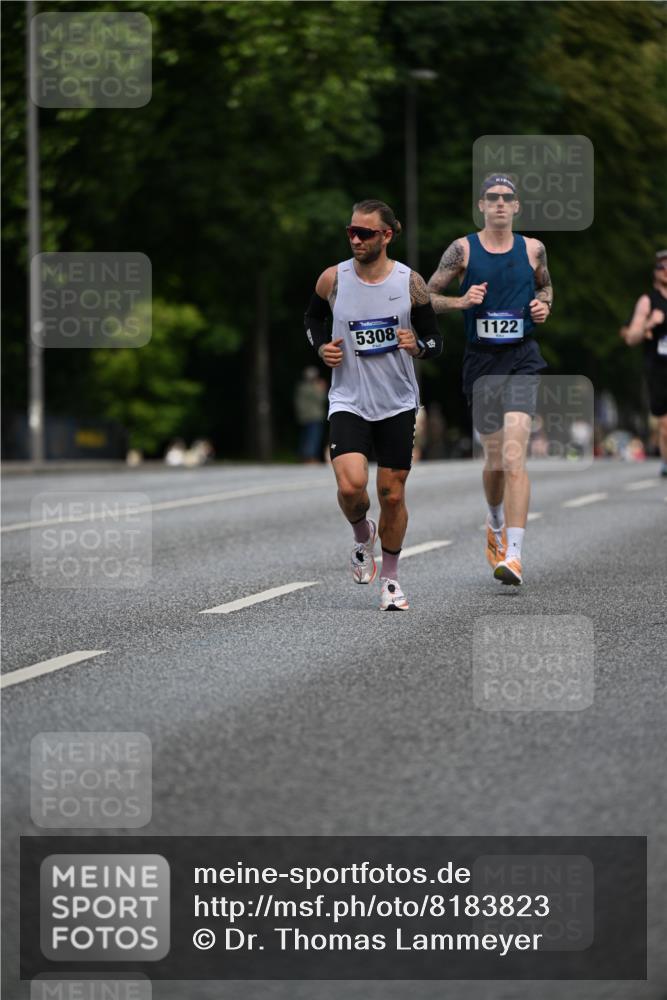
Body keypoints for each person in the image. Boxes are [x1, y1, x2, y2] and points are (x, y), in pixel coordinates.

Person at [304, 199, 443, 610]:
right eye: (350, 231)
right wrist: (322, 348)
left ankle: (393, 580)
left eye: (363, 233)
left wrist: (417, 347)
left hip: (397, 402)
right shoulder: (333, 278)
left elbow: (435, 339)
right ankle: (362, 535)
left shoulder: (409, 283)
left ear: (386, 235)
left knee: (393, 495)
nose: (355, 239)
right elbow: (312, 321)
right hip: (348, 398)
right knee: (351, 488)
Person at [427, 174, 553, 585]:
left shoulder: (533, 248)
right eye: (492, 198)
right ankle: (495, 520)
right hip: (480, 364)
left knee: (516, 456)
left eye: (507, 198)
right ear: (481, 205)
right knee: (495, 461)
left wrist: (542, 308)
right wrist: (461, 301)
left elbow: (546, 288)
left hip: (522, 359)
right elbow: (424, 296)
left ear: (517, 206)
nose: (500, 204)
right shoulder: (462, 249)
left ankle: (513, 555)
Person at [620, 250, 667, 476]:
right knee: (665, 425)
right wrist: (650, 323)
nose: (666, 270)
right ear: (655, 272)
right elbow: (631, 337)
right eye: (662, 266)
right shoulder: (648, 301)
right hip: (659, 368)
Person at [294, 366, 327, 463]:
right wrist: (321, 389)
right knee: (313, 438)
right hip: (315, 416)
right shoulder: (315, 387)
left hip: (303, 416)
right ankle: (311, 458)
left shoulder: (301, 386)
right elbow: (321, 399)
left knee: (305, 438)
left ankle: (303, 457)